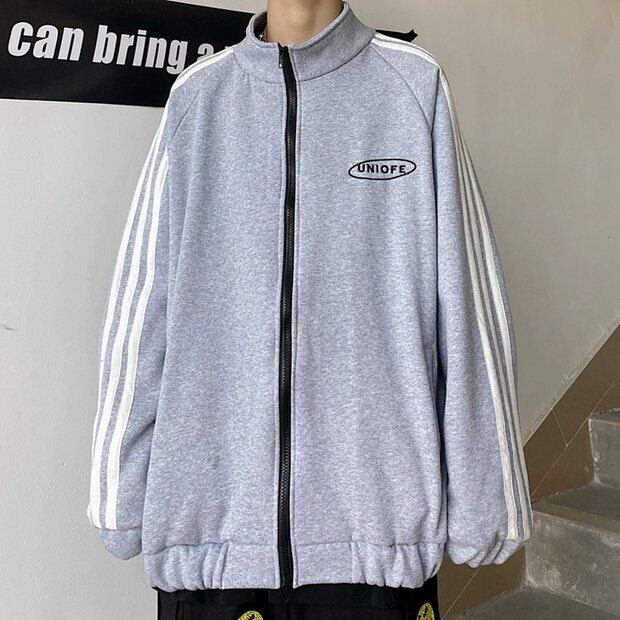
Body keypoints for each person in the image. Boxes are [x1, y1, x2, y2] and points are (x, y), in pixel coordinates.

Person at [87, 1, 532, 618]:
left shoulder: (411, 85)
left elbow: (469, 307)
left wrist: (488, 500)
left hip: (377, 555)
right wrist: (118, 490)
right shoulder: (198, 98)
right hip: (213, 549)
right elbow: (141, 310)